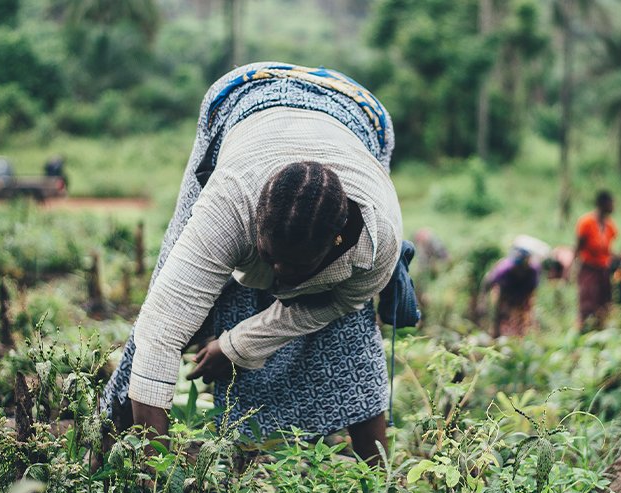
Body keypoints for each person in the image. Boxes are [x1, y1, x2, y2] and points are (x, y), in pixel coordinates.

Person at [100, 62, 419, 465]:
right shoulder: (230, 204)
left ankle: (380, 479)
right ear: (254, 223)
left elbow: (335, 305)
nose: (279, 277)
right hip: (244, 98)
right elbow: (160, 330)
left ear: (336, 243)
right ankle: (110, 439)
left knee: (349, 331)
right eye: (270, 258)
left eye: (295, 266)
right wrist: (154, 470)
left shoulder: (375, 244)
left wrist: (238, 345)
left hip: (359, 115)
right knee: (170, 290)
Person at [575, 190, 617, 330]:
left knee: (603, 303)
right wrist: (573, 266)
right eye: (611, 203)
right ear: (603, 204)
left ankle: (600, 330)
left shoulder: (610, 226)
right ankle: (582, 330)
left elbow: (608, 249)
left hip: (603, 269)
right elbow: (579, 246)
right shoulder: (586, 222)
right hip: (588, 267)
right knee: (587, 301)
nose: (613, 206)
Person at [482, 247, 540, 337]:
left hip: (523, 293)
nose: (520, 269)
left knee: (523, 317)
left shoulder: (533, 270)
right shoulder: (503, 270)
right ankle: (496, 335)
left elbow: (532, 291)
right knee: (500, 313)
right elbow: (488, 282)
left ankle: (522, 336)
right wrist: (483, 301)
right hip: (505, 292)